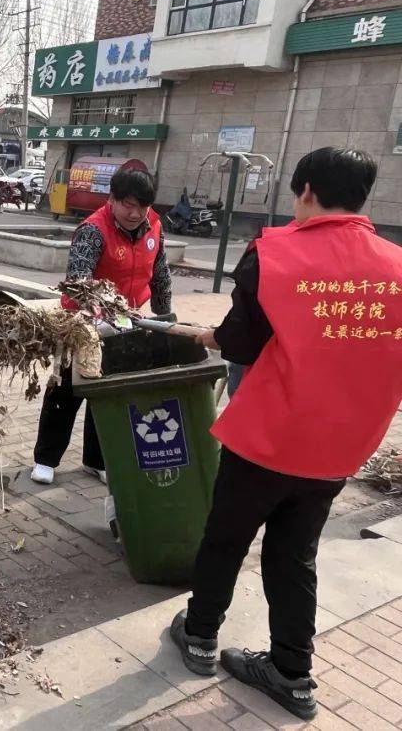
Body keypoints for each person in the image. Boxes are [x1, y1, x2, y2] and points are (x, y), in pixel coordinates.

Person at [168, 147, 402, 721]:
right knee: (295, 553)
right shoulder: (398, 268)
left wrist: (205, 335)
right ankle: (293, 674)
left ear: (304, 189)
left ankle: (199, 636)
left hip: (271, 438)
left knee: (227, 538)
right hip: (342, 447)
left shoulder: (274, 252)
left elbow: (241, 343)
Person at [31, 163, 172, 486]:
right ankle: (46, 459)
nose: (136, 214)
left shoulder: (154, 227)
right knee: (67, 391)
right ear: (112, 199)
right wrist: (103, 315)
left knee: (108, 396)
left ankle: (95, 459)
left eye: (143, 206)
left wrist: (164, 321)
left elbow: (160, 277)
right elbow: (79, 284)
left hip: (126, 324)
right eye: (128, 205)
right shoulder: (93, 230)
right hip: (82, 324)